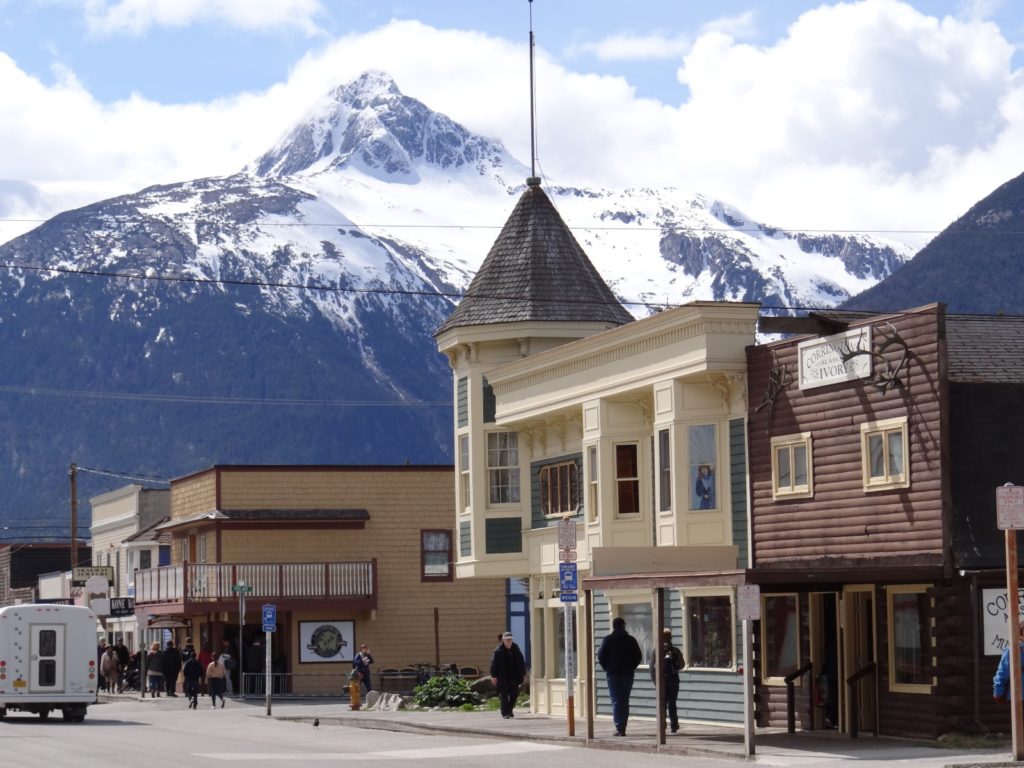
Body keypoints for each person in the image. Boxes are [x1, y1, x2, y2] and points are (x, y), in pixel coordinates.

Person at [597, 616, 642, 736]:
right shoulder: (631, 640)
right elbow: (638, 656)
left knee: (616, 700)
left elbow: (600, 656)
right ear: (623, 626)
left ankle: (619, 727)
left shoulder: (608, 639)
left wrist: (607, 668)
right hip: (627, 674)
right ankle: (623, 726)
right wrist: (632, 666)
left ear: (613, 626)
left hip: (613, 674)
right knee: (624, 700)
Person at [649, 627, 685, 733]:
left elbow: (651, 668)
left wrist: (655, 682)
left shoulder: (656, 651)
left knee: (662, 704)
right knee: (672, 703)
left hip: (661, 681)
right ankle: (674, 725)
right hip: (673, 680)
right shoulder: (675, 650)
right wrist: (675, 668)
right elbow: (682, 665)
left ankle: (662, 725)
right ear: (670, 637)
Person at [490, 631, 526, 720]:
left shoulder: (516, 649)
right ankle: (505, 713)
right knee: (504, 696)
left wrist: (523, 674)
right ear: (503, 640)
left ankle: (509, 710)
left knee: (514, 694)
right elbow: (493, 664)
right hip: (502, 677)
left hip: (514, 677)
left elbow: (521, 662)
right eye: (507, 640)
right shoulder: (498, 651)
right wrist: (493, 676)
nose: (509, 641)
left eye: (510, 639)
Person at [994, 624, 1024, 703]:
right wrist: (998, 692)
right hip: (1019, 695)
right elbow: (1003, 672)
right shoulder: (1013, 650)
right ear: (1020, 636)